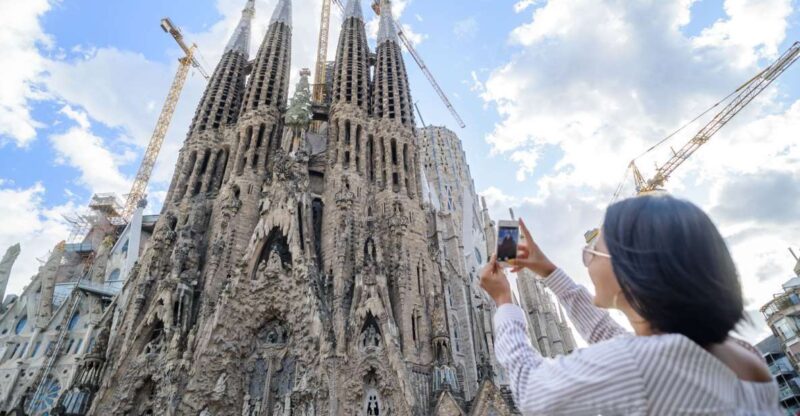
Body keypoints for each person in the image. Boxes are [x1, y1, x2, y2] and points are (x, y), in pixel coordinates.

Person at [480, 195, 781, 415]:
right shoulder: (741, 354)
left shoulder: (644, 365)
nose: (586, 260)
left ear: (632, 269)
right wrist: (547, 271)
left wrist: (505, 302)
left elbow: (532, 391)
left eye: (593, 252)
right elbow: (607, 334)